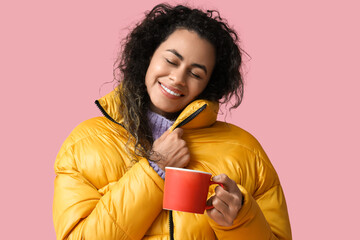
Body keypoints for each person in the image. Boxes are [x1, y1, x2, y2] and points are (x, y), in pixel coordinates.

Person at [53, 3, 292, 240]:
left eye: (196, 73)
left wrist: (241, 221)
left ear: (209, 84)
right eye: (171, 60)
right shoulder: (83, 144)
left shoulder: (246, 151)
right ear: (148, 55)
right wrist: (154, 170)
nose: (177, 78)